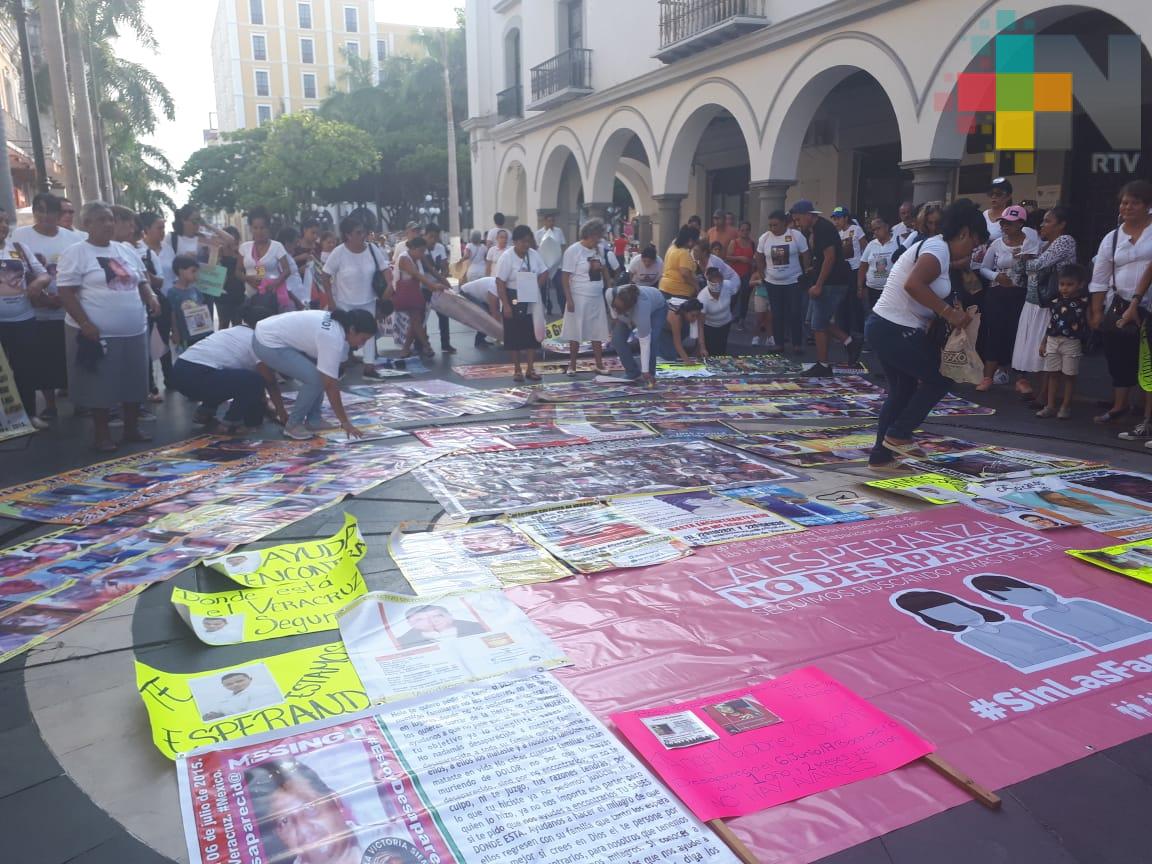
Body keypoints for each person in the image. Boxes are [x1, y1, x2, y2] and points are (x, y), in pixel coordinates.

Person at [864, 198, 988, 470]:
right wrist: (948, 313)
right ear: (965, 233)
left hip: (887, 326)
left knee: (902, 390)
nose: (971, 251)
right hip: (895, 328)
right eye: (973, 243)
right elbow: (914, 284)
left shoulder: (940, 254)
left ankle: (881, 456)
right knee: (942, 377)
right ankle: (899, 434)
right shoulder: (937, 248)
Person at [56, 202, 160, 451]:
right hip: (98, 332)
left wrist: (151, 297)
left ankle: (131, 428)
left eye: (110, 219)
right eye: (101, 220)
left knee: (134, 382)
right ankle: (101, 435)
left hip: (134, 330)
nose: (108, 224)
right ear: (86, 224)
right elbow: (66, 292)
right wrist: (84, 322)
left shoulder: (125, 250)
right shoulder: (76, 252)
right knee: (99, 386)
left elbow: (142, 280)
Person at [252, 308, 376, 440]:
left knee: (319, 375)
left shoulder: (337, 327)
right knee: (316, 379)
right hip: (267, 342)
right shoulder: (332, 337)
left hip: (269, 332)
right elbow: (330, 385)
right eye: (363, 339)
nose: (362, 345)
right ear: (352, 330)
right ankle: (293, 425)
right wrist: (345, 422)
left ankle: (314, 420)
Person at [892, 589, 1090, 672]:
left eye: (953, 607)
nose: (954, 614)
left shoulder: (1020, 623)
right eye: (943, 614)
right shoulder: (970, 639)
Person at [12, 193, 83, 421]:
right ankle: (49, 404)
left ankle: (79, 401)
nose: (44, 215)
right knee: (43, 360)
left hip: (68, 310)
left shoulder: (72, 239)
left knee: (71, 358)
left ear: (58, 214)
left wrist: (63, 299)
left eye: (49, 211)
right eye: (39, 210)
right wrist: (41, 297)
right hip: (35, 311)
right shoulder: (20, 237)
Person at [1090, 180, 1152, 428]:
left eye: (1134, 203)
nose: (1127, 207)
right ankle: (1119, 406)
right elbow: (1099, 278)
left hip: (1148, 306)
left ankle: (1145, 411)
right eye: (1124, 202)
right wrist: (1095, 311)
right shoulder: (1112, 237)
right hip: (1118, 304)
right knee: (1119, 356)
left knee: (1147, 361)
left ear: (1147, 206)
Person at [171, 303, 285, 433]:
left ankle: (204, 412)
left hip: (179, 370)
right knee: (255, 380)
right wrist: (281, 411)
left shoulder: (231, 331)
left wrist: (266, 404)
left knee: (231, 378)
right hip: (199, 376)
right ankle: (230, 423)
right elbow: (269, 381)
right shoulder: (257, 339)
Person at [1015, 205, 1078, 402]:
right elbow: (1019, 269)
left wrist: (1026, 259)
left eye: (1048, 221)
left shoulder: (1065, 241)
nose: (1042, 225)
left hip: (1052, 304)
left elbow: (1036, 265)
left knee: (1049, 349)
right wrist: (1024, 259)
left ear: (1061, 225)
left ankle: (1046, 396)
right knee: (1036, 349)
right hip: (1034, 302)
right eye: (1042, 221)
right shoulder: (1043, 245)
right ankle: (1042, 394)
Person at [975, 204, 1040, 393]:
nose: (1005, 227)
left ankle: (1021, 377)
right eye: (1003, 223)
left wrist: (1028, 259)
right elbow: (984, 267)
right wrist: (996, 277)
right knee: (994, 333)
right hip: (998, 293)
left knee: (1019, 334)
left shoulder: (1031, 243)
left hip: (1021, 293)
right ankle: (988, 376)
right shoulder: (996, 244)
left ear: (1021, 224)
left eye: (1010, 223)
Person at [791, 200, 860, 373]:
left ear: (809, 215)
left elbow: (830, 257)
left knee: (819, 324)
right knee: (815, 321)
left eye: (799, 220)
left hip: (832, 282)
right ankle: (849, 342)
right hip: (827, 280)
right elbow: (822, 258)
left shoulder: (823, 228)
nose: (797, 224)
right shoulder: (816, 229)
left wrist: (819, 284)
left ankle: (823, 364)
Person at [0, 207, 51, 429]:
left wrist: (39, 283)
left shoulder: (19, 249)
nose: (2, 226)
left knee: (26, 369)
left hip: (23, 319)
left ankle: (29, 415)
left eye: (4, 221)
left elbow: (44, 273)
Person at [320, 216, 390, 375]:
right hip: (344, 301)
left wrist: (389, 286)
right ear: (348, 235)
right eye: (358, 233)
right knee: (343, 333)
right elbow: (325, 275)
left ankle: (369, 366)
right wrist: (331, 301)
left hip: (368, 300)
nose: (363, 235)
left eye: (363, 232)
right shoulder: (339, 252)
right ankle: (341, 364)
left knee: (369, 331)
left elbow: (385, 269)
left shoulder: (372, 249)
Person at [1035, 263, 1090, 420]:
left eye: (1070, 285)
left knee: (1069, 375)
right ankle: (1050, 406)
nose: (1065, 288)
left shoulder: (1084, 302)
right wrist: (1044, 341)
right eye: (1062, 284)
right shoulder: (1055, 301)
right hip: (1053, 339)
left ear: (1080, 285)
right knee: (1052, 374)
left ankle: (1066, 406)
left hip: (1071, 342)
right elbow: (1052, 322)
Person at [494, 224, 547, 382]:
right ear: (515, 242)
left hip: (530, 296)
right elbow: (500, 282)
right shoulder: (506, 257)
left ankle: (530, 369)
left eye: (528, 241)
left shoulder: (534, 255)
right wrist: (506, 305)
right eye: (523, 241)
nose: (526, 245)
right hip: (513, 297)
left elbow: (544, 272)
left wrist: (536, 285)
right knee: (514, 336)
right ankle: (517, 370)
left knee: (531, 335)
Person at [560, 218, 612, 375]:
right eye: (597, 236)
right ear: (590, 235)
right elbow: (564, 277)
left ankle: (599, 364)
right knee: (575, 331)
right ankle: (572, 365)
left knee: (597, 331)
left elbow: (604, 270)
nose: (599, 240)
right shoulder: (573, 250)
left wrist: (609, 288)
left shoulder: (599, 250)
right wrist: (569, 299)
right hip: (579, 295)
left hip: (596, 295)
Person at [756, 210, 809, 352]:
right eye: (770, 225)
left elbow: (805, 254)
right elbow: (759, 257)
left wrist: (806, 273)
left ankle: (797, 344)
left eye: (775, 225)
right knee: (776, 313)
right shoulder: (765, 238)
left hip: (793, 281)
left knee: (795, 312)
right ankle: (779, 344)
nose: (772, 228)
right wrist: (763, 275)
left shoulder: (795, 236)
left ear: (784, 223)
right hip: (773, 283)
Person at [606, 282, 668, 384]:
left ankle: (649, 374)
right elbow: (614, 313)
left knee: (652, 340)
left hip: (657, 308)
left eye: (619, 309)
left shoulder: (641, 310)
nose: (616, 309)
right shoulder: (610, 293)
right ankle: (632, 372)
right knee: (617, 339)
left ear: (629, 308)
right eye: (615, 306)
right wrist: (617, 318)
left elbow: (645, 342)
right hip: (628, 313)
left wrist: (645, 370)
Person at [392, 235, 443, 359]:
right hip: (407, 293)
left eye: (423, 251)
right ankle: (426, 345)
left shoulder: (417, 257)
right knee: (416, 321)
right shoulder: (404, 258)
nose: (422, 254)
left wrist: (442, 283)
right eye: (420, 251)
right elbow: (416, 275)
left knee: (416, 322)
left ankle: (407, 349)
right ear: (413, 248)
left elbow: (429, 271)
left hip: (414, 292)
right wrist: (433, 285)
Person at [239, 207, 294, 314]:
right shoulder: (244, 247)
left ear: (268, 228)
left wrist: (275, 283)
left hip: (271, 297)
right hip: (250, 297)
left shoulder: (277, 247)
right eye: (255, 228)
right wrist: (248, 278)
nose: (259, 231)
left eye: (262, 228)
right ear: (250, 228)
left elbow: (287, 270)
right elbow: (237, 271)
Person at [167, 255, 214, 354]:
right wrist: (175, 332)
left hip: (202, 333)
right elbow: (172, 314)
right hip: (186, 335)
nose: (196, 274)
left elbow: (202, 308)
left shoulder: (196, 290)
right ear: (181, 271)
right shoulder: (173, 292)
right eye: (193, 271)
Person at [423, 223, 455, 354]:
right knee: (422, 317)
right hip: (424, 286)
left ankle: (445, 343)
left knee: (444, 315)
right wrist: (444, 280)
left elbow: (443, 265)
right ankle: (423, 344)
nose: (433, 240)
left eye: (436, 237)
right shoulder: (421, 248)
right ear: (425, 235)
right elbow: (429, 269)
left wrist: (445, 271)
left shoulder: (440, 247)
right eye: (431, 237)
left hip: (438, 286)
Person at [199, 670, 282, 720]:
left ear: (250, 679)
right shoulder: (226, 698)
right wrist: (213, 715)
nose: (234, 685)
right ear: (224, 686)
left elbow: (254, 714)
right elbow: (218, 711)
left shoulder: (263, 690)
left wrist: (222, 716)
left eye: (239, 681)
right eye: (229, 684)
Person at [858, 214, 898, 313]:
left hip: (891, 291)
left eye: (878, 228)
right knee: (872, 316)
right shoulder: (871, 245)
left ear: (886, 227)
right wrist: (860, 287)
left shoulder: (898, 243)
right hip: (872, 290)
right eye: (873, 230)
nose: (876, 232)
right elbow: (863, 266)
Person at [396, 603, 486, 648]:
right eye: (420, 619)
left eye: (437, 616)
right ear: (410, 624)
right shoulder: (402, 642)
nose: (431, 621)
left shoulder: (479, 627)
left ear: (450, 616)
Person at [698, 267, 735, 356]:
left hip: (725, 324)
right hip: (710, 328)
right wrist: (702, 347)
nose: (717, 287)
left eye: (719, 283)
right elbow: (700, 326)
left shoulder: (728, 285)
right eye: (714, 284)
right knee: (711, 352)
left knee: (721, 350)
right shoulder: (702, 298)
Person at [535, 212, 567, 315]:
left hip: (557, 265)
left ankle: (563, 309)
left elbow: (562, 246)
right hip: (544, 265)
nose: (551, 223)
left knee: (560, 288)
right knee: (544, 289)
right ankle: (548, 307)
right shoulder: (539, 233)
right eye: (549, 220)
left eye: (553, 220)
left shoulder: (558, 231)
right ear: (545, 221)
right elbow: (537, 249)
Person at [658, 224, 700, 300]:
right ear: (690, 240)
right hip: (678, 292)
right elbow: (685, 274)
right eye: (695, 241)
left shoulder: (672, 248)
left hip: (664, 288)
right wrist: (696, 285)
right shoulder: (683, 253)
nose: (695, 244)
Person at [727, 221, 757, 326]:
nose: (745, 232)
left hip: (747, 274)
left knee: (745, 297)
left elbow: (755, 258)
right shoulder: (733, 242)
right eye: (742, 230)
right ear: (739, 231)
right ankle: (729, 317)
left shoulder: (752, 243)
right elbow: (727, 257)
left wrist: (753, 263)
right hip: (735, 274)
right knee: (733, 297)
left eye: (747, 230)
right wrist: (739, 258)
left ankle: (742, 319)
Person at [276, 227, 309, 310]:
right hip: (293, 301)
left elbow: (292, 275)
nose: (297, 245)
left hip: (300, 298)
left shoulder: (287, 255)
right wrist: (297, 301)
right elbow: (284, 283)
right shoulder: (281, 258)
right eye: (295, 242)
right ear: (287, 243)